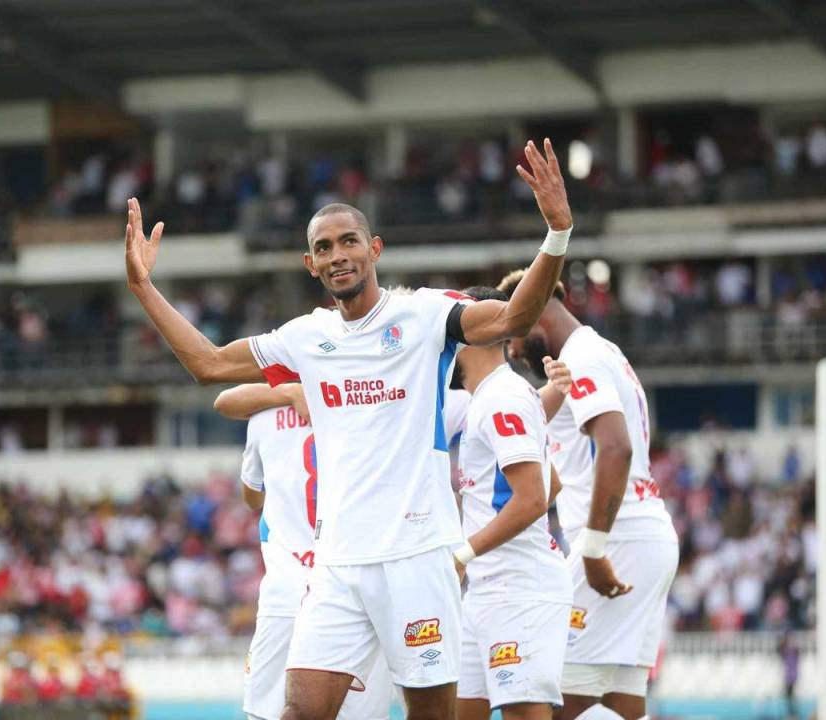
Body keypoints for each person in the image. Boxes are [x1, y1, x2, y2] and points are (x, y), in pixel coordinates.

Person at [125, 138, 573, 720]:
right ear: (310, 265)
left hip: (417, 557)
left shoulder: (424, 314)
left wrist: (557, 233)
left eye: (348, 241)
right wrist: (142, 287)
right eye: (322, 248)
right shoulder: (305, 338)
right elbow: (208, 364)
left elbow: (514, 316)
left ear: (374, 249)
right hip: (337, 565)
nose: (337, 254)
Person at [496, 273, 678, 720]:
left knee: (545, 703)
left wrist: (594, 548)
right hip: (642, 536)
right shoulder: (600, 351)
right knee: (620, 703)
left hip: (616, 542)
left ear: (536, 312)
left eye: (513, 334)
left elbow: (615, 446)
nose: (514, 352)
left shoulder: (583, 356)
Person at [213, 382, 396, 720]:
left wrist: (286, 492)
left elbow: (252, 496)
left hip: (288, 594)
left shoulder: (263, 416)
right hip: (356, 592)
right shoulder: (367, 405)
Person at [449, 286, 573, 720]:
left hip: (520, 589)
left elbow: (534, 498)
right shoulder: (488, 397)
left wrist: (463, 553)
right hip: (486, 588)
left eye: (453, 324)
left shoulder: (502, 396)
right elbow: (551, 484)